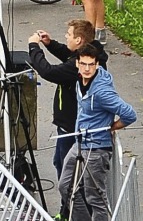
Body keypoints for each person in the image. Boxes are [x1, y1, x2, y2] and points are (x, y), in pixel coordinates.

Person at [65, 41, 134, 221]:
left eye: (91, 65)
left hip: (96, 148)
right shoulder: (80, 79)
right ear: (77, 64)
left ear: (97, 65)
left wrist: (112, 127)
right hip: (80, 142)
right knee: (66, 186)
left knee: (95, 197)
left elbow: (129, 114)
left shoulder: (103, 92)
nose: (87, 68)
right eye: (83, 64)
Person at [29, 19, 96, 189]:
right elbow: (68, 55)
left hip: (72, 127)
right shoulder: (87, 56)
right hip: (68, 125)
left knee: (67, 171)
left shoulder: (79, 67)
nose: (66, 37)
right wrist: (50, 44)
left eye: (69, 35)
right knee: (60, 163)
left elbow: (48, 72)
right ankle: (68, 207)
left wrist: (34, 47)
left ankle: (68, 209)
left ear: (78, 40)